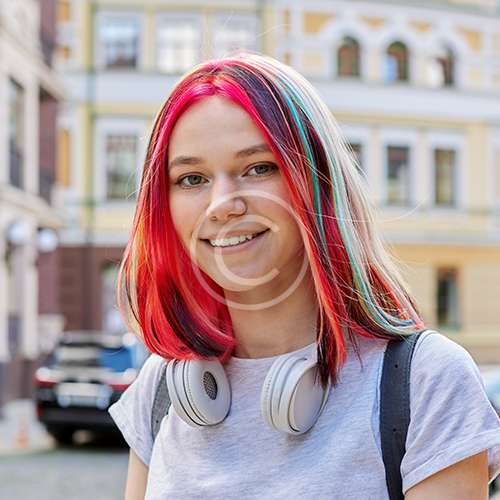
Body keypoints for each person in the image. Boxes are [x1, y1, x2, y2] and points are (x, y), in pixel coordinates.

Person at [108, 53, 500, 499]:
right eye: (192, 178)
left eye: (259, 168)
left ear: (319, 182)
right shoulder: (161, 386)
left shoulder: (427, 381)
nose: (222, 205)